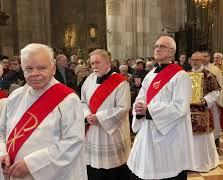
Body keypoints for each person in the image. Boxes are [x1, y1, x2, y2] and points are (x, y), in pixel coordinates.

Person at [0, 43, 87, 180]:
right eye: (29, 68)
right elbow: (2, 131)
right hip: (14, 173)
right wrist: (3, 152)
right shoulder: (16, 96)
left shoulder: (68, 99)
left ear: (53, 67)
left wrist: (31, 165)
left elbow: (73, 142)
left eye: (41, 68)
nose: (34, 73)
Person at [127, 36, 194, 180]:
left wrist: (149, 110)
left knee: (167, 172)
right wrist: (138, 108)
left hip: (169, 135)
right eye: (156, 46)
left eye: (162, 46)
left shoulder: (180, 75)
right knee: (146, 169)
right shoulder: (150, 74)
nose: (157, 49)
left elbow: (180, 107)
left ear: (172, 52)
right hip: (147, 131)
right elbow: (141, 97)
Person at [81, 49, 131, 180]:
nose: (94, 66)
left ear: (108, 63)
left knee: (113, 172)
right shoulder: (89, 80)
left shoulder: (120, 82)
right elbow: (82, 101)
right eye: (92, 63)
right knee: (93, 171)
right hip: (92, 132)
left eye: (97, 62)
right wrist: (87, 114)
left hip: (112, 135)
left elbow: (123, 108)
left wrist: (98, 117)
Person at [189, 52, 220, 172]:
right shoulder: (185, 74)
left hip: (202, 111)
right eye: (193, 60)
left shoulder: (209, 75)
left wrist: (205, 100)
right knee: (189, 137)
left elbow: (216, 91)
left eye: (198, 60)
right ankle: (189, 164)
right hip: (187, 112)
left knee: (203, 138)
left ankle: (204, 163)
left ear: (202, 61)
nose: (195, 62)